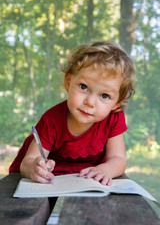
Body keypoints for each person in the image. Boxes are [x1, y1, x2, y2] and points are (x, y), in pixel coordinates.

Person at [9, 41, 136, 186]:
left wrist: (106, 169)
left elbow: (118, 158)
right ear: (68, 82)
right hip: (50, 179)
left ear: (117, 103)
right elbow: (28, 162)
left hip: (87, 180)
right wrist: (34, 168)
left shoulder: (113, 118)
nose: (90, 102)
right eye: (84, 87)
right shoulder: (52, 120)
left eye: (105, 96)